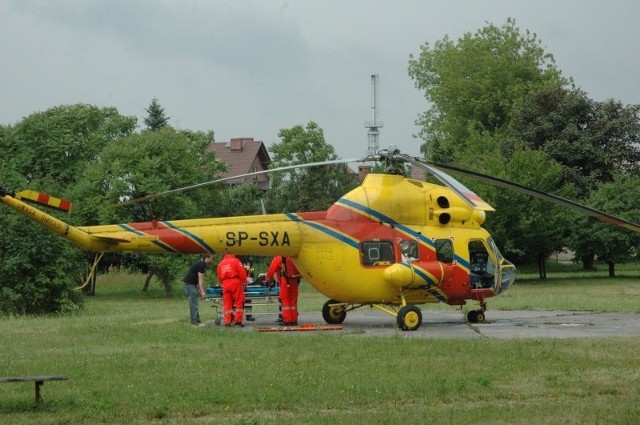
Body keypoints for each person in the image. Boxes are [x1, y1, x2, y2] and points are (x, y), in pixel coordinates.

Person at [266, 256, 301, 326]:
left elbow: (272, 269)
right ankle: (294, 320)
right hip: (294, 280)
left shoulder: (279, 257)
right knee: (293, 301)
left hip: (285, 280)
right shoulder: (293, 256)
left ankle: (287, 320)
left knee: (285, 301)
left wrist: (267, 278)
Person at [216, 253, 248, 327]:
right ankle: (238, 321)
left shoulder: (221, 263)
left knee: (227, 303)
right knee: (239, 301)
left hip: (225, 283)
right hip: (235, 282)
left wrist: (222, 283)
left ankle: (227, 321)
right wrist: (244, 282)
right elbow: (242, 272)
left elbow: (219, 275)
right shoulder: (236, 261)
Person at [183, 254, 213, 326]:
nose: (212, 260)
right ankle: (194, 322)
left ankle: (198, 320)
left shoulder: (201, 263)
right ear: (207, 258)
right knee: (193, 303)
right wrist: (202, 292)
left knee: (195, 302)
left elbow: (197, 280)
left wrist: (199, 290)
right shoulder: (201, 265)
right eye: (211, 259)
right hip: (189, 284)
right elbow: (200, 280)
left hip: (192, 284)